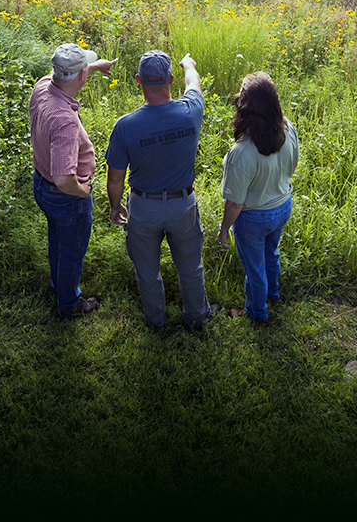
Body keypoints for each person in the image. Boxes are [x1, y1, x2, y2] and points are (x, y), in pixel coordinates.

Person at [105, 50, 214, 331]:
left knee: (147, 271)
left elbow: (116, 178)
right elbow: (194, 84)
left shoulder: (125, 126)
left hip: (143, 208)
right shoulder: (190, 111)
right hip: (183, 206)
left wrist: (115, 206)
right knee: (190, 267)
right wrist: (189, 63)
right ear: (171, 79)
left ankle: (156, 322)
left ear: (139, 81)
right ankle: (197, 317)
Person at [29, 42, 117, 320]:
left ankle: (59, 286)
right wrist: (81, 192)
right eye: (85, 70)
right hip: (64, 196)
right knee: (72, 250)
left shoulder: (43, 86)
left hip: (41, 185)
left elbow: (65, 74)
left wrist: (93, 66)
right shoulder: (64, 120)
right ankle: (69, 304)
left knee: (57, 240)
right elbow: (63, 178)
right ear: (79, 77)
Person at [218, 72, 299, 323]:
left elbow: (235, 203)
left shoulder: (241, 151)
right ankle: (272, 293)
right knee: (270, 254)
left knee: (254, 269)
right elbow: (292, 167)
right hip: (283, 206)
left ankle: (256, 311)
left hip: (253, 218)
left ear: (245, 107)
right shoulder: (288, 129)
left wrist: (223, 229)